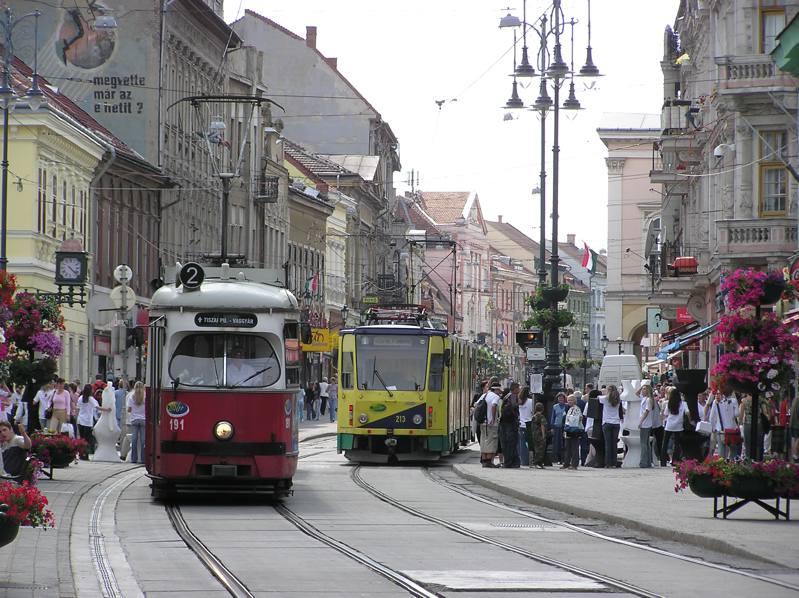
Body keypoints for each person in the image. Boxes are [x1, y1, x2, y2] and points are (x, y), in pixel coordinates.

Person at [661, 388, 689, 466]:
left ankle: (663, 461)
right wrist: (689, 420)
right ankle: (675, 460)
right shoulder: (683, 403)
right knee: (677, 444)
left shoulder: (669, 403)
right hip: (679, 425)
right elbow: (687, 412)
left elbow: (666, 414)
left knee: (665, 443)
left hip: (669, 425)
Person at [600, 385, 623, 468]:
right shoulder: (618, 399)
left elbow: (596, 397)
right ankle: (614, 463)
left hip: (607, 422)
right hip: (616, 422)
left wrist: (602, 392)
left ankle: (608, 463)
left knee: (608, 444)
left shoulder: (605, 399)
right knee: (614, 444)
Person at [479, 381, 502, 467]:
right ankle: (489, 462)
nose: (500, 392)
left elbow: (476, 405)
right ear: (496, 390)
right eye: (499, 390)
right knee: (491, 442)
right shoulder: (495, 397)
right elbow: (493, 406)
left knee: (483, 442)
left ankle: (484, 461)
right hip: (491, 423)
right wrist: (492, 418)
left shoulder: (484, 395)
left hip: (482, 423)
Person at [498, 382, 521, 468]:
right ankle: (510, 462)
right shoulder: (513, 396)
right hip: (510, 423)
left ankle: (512, 462)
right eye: (518, 388)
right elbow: (514, 408)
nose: (519, 390)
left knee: (508, 444)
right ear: (515, 389)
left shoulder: (507, 396)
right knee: (510, 444)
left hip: (505, 423)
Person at [76, 384, 99, 458]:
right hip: (88, 421)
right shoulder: (90, 399)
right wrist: (107, 409)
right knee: (87, 439)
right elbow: (97, 407)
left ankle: (81, 454)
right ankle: (86, 454)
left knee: (82, 438)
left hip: (80, 420)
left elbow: (78, 408)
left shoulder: (80, 398)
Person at [127, 381, 146, 464]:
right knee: (143, 441)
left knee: (134, 440)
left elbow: (129, 409)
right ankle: (143, 459)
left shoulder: (132, 397)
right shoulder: (145, 396)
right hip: (143, 420)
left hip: (134, 420)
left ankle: (134, 459)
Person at [562, 394, 583, 470]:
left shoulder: (576, 409)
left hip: (574, 431)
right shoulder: (569, 408)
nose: (569, 402)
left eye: (571, 400)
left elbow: (579, 418)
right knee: (567, 447)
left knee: (574, 448)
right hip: (568, 430)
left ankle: (574, 464)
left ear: (574, 401)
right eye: (568, 400)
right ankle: (566, 463)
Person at [637, 383, 656, 468]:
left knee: (643, 443)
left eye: (644, 389)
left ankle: (644, 462)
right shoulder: (644, 398)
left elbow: (646, 411)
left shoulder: (649, 399)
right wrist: (641, 386)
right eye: (642, 389)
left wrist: (640, 421)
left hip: (645, 423)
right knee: (647, 443)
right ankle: (648, 461)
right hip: (647, 423)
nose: (642, 390)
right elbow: (636, 393)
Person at [550, 393, 568, 464]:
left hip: (564, 427)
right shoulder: (555, 406)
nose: (560, 399)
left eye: (562, 398)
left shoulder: (566, 406)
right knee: (557, 443)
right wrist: (552, 427)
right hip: (557, 426)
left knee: (564, 443)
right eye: (559, 398)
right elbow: (553, 417)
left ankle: (563, 459)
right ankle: (558, 459)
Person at [518, 387, 533, 467]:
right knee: (527, 444)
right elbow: (532, 412)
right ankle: (526, 461)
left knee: (521, 444)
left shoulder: (519, 401)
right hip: (528, 423)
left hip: (520, 424)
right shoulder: (530, 402)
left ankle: (521, 460)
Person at [529, 401, 547, 469]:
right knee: (541, 449)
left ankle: (537, 463)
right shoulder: (541, 416)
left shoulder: (534, 416)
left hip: (534, 434)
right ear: (542, 409)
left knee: (536, 448)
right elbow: (542, 426)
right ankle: (538, 462)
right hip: (539, 435)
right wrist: (543, 435)